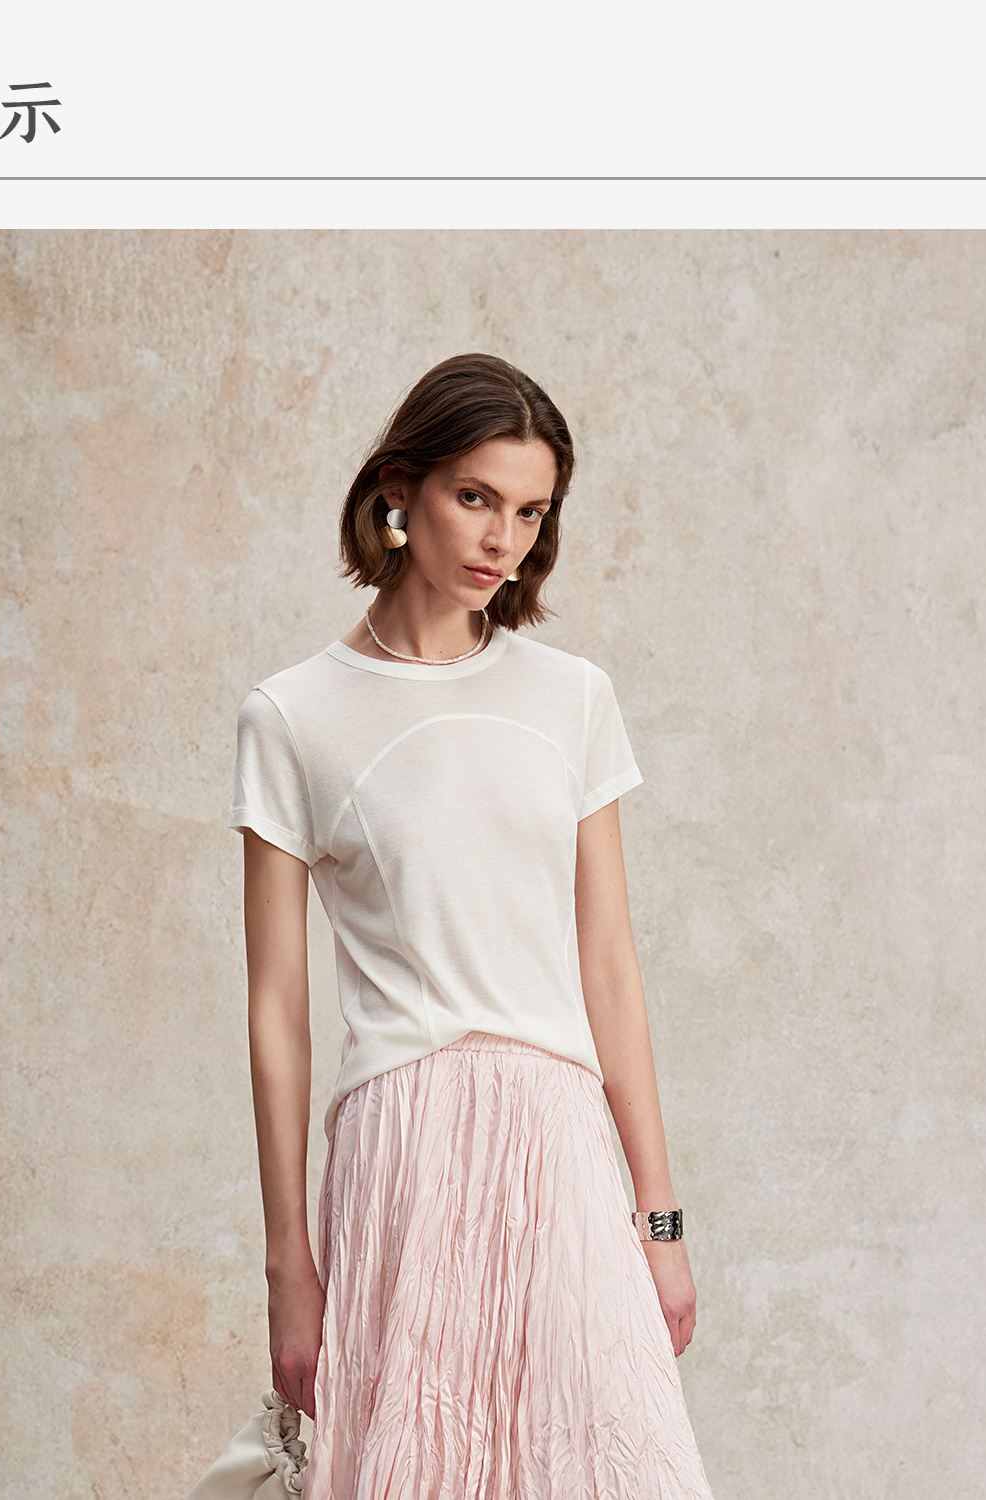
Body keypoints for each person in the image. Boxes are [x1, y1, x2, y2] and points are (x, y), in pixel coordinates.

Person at [225, 353, 713, 1498]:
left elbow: (610, 967)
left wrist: (660, 1220)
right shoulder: (293, 716)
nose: (503, 540)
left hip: (559, 1142)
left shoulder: (572, 697)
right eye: (476, 497)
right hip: (404, 1147)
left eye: (531, 511)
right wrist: (288, 1265)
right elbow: (278, 1010)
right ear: (399, 491)